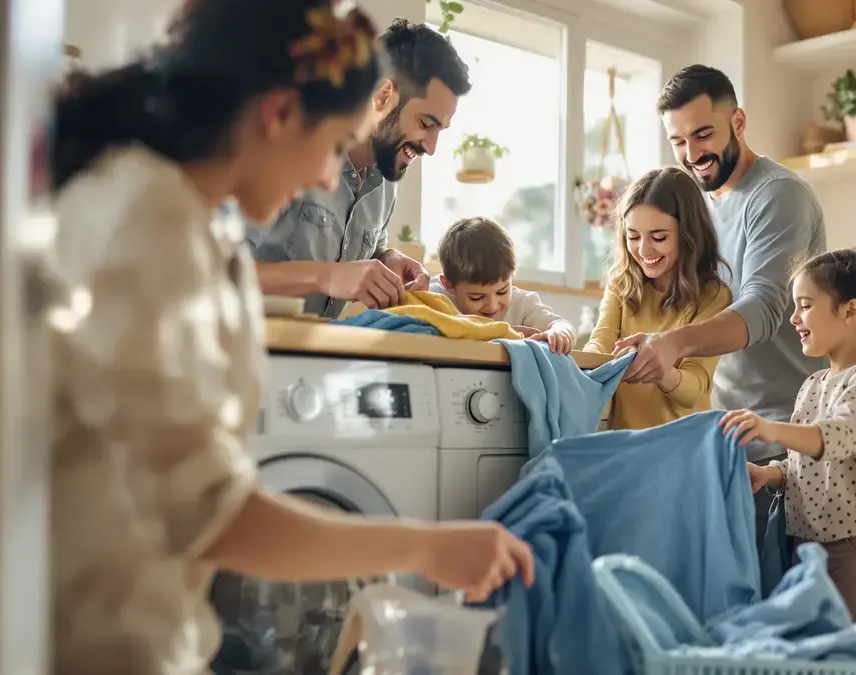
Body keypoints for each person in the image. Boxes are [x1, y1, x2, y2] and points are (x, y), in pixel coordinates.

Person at [48, 2, 532, 674]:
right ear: (276, 116)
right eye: (334, 146)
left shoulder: (178, 213)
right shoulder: (146, 222)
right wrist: (424, 547)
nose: (331, 178)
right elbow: (211, 516)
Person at [720, 248, 856, 648]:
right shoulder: (813, 384)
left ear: (850, 312)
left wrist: (770, 428)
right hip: (808, 550)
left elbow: (838, 436)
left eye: (805, 306)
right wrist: (771, 473)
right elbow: (805, 462)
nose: (794, 319)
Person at [618, 65, 827, 435]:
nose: (692, 153)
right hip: (718, 426)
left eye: (703, 135)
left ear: (738, 122)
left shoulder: (778, 195)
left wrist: (670, 344)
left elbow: (762, 307)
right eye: (678, 141)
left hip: (783, 428)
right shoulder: (691, 203)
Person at [247, 18, 472, 319]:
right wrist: (327, 276)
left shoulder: (386, 181)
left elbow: (371, 247)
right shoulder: (289, 151)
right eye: (426, 124)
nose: (431, 147)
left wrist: (388, 258)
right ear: (382, 96)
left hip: (316, 358)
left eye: (439, 130)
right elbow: (215, 267)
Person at [583, 168, 732, 429]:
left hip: (685, 444)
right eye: (633, 236)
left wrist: (663, 372)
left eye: (659, 237)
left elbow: (696, 388)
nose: (643, 250)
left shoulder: (713, 296)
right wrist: (575, 362)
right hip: (626, 444)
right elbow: (600, 343)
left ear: (689, 235)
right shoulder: (621, 284)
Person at [430, 216, 577, 353]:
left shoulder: (522, 303)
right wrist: (506, 333)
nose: (492, 305)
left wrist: (560, 332)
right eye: (476, 297)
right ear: (449, 285)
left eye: (502, 291)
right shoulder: (439, 295)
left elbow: (560, 324)